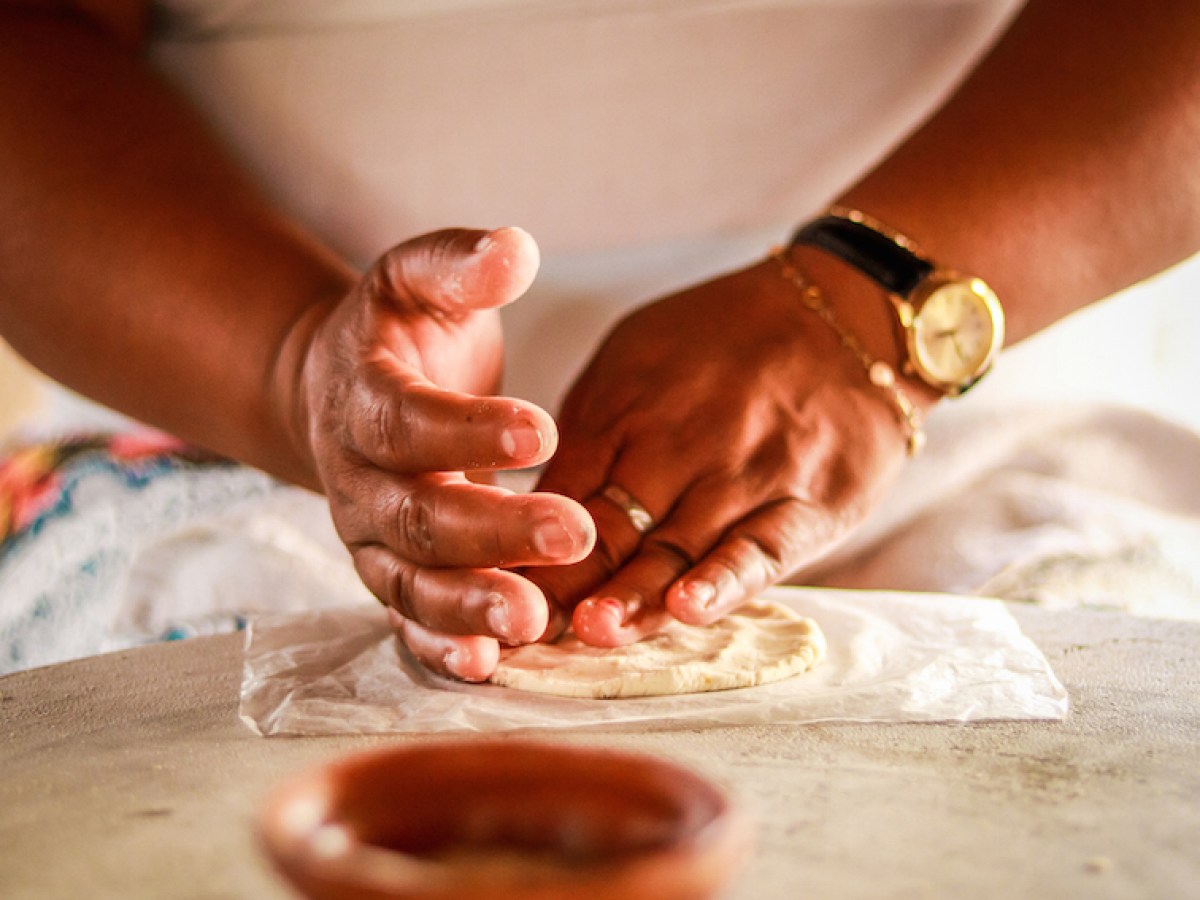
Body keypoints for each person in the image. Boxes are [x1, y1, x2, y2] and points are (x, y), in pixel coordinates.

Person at [1, 0, 1198, 681]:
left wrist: (864, 312)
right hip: (213, 424)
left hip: (979, 413)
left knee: (1081, 740)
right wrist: (298, 368)